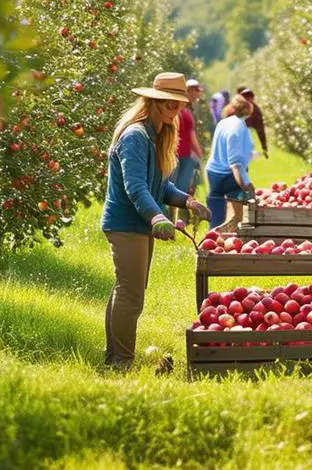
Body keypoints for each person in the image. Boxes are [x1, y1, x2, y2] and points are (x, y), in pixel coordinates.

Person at [101, 72, 210, 371]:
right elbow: (136, 187)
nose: (174, 108)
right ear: (152, 100)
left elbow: (159, 187)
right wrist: (158, 216)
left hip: (139, 223)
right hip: (126, 222)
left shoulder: (157, 134)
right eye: (167, 102)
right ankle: (122, 361)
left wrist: (187, 201)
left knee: (126, 289)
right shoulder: (136, 136)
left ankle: (114, 356)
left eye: (178, 103)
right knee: (131, 295)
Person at [204, 94, 256, 229]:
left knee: (216, 216)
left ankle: (212, 239)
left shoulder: (224, 122)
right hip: (229, 176)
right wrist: (247, 185)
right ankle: (232, 236)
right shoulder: (237, 128)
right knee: (237, 218)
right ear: (247, 113)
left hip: (213, 173)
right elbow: (236, 164)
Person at [168, 79, 205, 221]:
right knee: (172, 187)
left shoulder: (187, 111)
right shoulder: (175, 111)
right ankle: (170, 219)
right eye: (194, 91)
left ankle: (183, 219)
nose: (197, 95)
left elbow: (191, 133)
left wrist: (197, 150)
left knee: (183, 188)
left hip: (186, 155)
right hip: (174, 154)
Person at [237, 86, 269, 159]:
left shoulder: (256, 111)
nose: (248, 100)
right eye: (245, 98)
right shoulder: (235, 108)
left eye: (250, 98)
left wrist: (264, 147)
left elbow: (260, 129)